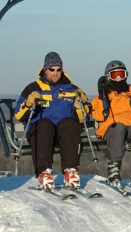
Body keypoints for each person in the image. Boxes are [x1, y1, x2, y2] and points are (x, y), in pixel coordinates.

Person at [14, 52, 89, 190]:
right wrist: (29, 103)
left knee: (69, 123)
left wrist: (80, 107)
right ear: (45, 70)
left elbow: (83, 119)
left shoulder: (72, 89)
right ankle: (44, 173)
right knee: (44, 124)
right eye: (51, 69)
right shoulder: (33, 88)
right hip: (42, 132)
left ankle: (70, 171)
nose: (55, 73)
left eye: (58, 69)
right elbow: (19, 115)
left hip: (64, 134)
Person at [90, 60, 131, 190]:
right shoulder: (105, 94)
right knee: (118, 127)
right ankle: (114, 169)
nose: (118, 78)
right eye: (114, 75)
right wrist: (102, 95)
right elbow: (99, 116)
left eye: (121, 74)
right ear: (108, 77)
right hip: (111, 127)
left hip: (130, 125)